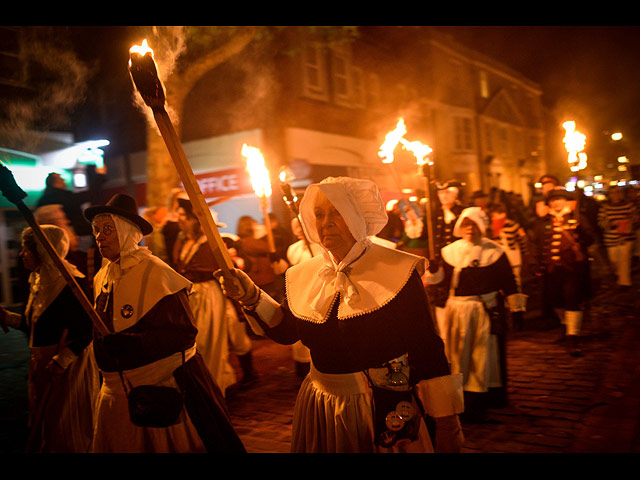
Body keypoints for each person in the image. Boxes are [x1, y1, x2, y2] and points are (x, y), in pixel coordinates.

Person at [215, 176, 464, 453]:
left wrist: (446, 422)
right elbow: (287, 330)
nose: (326, 222)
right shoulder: (303, 273)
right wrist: (251, 296)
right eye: (319, 214)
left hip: (378, 405)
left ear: (358, 216)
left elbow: (425, 347)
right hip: (322, 402)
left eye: (337, 212)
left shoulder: (398, 270)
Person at [84, 193, 245, 453]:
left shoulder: (156, 272)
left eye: (108, 229)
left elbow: (182, 334)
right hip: (116, 392)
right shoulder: (102, 274)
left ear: (126, 231)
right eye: (96, 230)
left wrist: (133, 343)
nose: (99, 237)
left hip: (157, 389)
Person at [0, 225, 99, 452]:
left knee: (66, 427)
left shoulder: (71, 283)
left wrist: (62, 360)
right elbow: (36, 325)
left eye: (27, 249)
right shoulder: (39, 279)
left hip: (67, 371)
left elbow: (87, 327)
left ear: (44, 251)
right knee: (48, 424)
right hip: (44, 366)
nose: (22, 254)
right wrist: (8, 318)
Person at [424, 207, 526, 422]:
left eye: (474, 224)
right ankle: (460, 397)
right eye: (466, 224)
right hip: (457, 311)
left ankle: (482, 398)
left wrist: (516, 307)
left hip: (483, 311)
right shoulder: (448, 251)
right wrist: (433, 271)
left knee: (483, 355)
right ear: (460, 227)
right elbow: (440, 282)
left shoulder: (495, 251)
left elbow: (508, 281)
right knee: (459, 355)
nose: (470, 229)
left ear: (482, 226)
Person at [171, 198, 255, 394]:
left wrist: (237, 262)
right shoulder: (182, 241)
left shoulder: (210, 242)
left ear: (194, 219)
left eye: (183, 216)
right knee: (199, 342)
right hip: (191, 296)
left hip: (209, 295)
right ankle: (214, 382)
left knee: (215, 342)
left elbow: (230, 267)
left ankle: (218, 384)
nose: (179, 220)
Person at [532, 188, 594, 357]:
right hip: (552, 270)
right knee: (556, 301)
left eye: (559, 200)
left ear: (567, 202)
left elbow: (590, 239)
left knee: (572, 299)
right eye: (553, 201)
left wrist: (580, 232)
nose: (556, 203)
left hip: (573, 269)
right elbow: (537, 245)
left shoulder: (578, 218)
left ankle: (572, 337)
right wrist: (538, 266)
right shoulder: (544, 221)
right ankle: (566, 325)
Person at [427, 179, 466, 340]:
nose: (443, 196)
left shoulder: (463, 212)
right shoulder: (433, 214)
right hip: (439, 266)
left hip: (458, 264)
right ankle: (444, 338)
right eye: (440, 193)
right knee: (440, 304)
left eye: (447, 192)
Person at [286, 217, 322, 378]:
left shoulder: (321, 248)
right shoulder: (293, 249)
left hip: (319, 296)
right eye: (295, 226)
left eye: (302, 225)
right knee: (300, 340)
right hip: (300, 296)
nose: (299, 230)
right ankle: (302, 374)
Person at [236, 215, 286, 303]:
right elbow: (268, 248)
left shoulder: (250, 241)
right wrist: (266, 234)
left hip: (265, 279)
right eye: (255, 224)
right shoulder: (247, 242)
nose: (258, 226)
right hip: (263, 280)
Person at [597, 185, 638, 289]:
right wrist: (611, 223)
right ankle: (619, 275)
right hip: (611, 239)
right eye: (612, 193)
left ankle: (624, 283)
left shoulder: (628, 205)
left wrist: (629, 222)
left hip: (626, 238)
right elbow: (600, 222)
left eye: (617, 192)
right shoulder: (605, 207)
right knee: (614, 260)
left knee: (624, 260)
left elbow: (636, 218)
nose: (615, 195)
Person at [488, 202, 530, 291]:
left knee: (516, 279)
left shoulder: (513, 225)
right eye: (493, 216)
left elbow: (522, 240)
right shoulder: (491, 228)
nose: (495, 218)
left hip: (513, 257)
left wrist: (525, 255)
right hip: (498, 257)